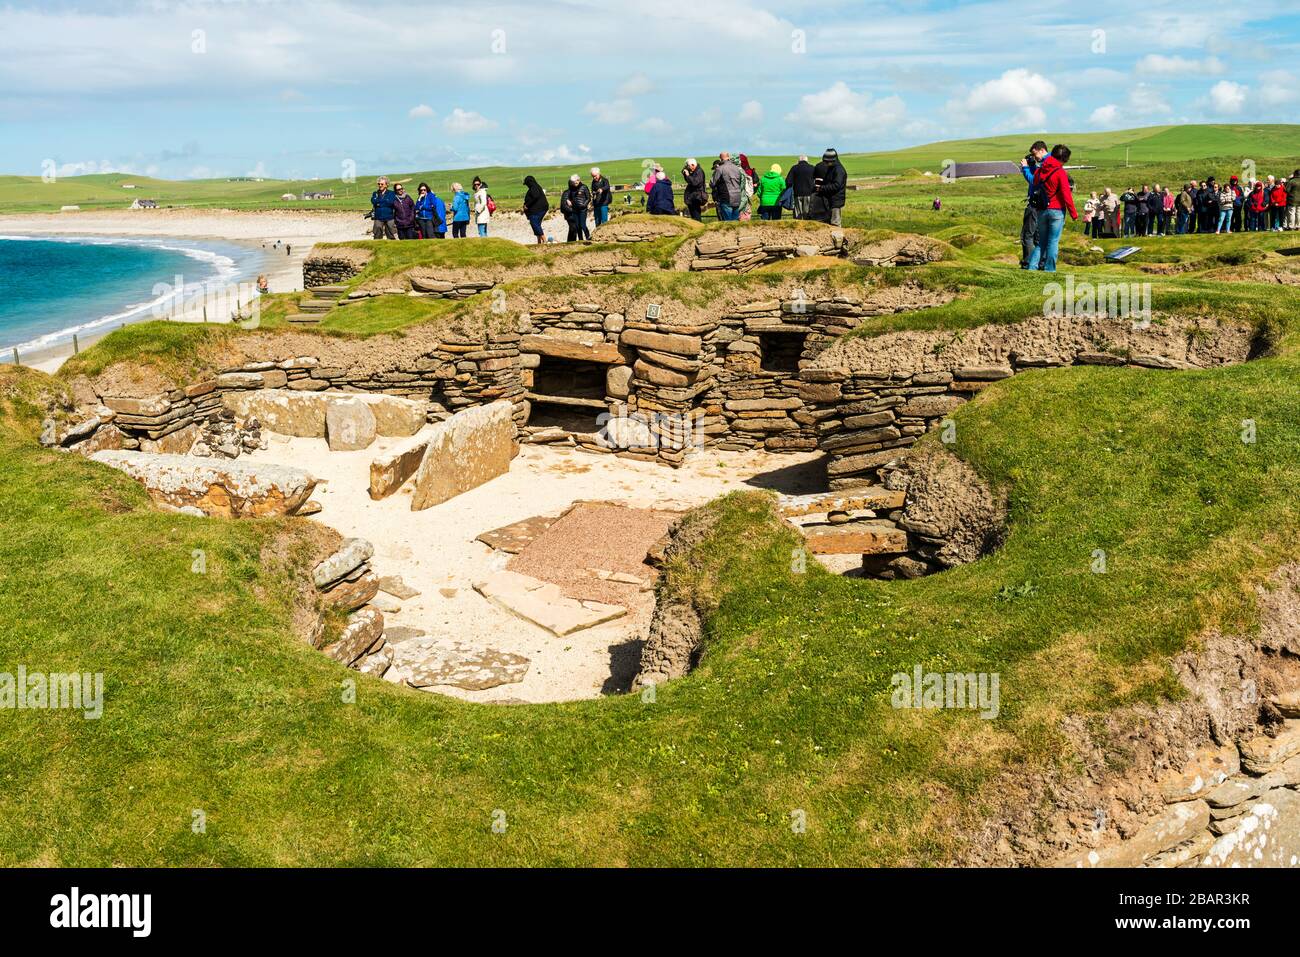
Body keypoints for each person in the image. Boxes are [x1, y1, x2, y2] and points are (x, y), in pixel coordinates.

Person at [1026, 144, 1077, 273]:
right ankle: (1050, 269)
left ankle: (1032, 267)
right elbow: (1066, 194)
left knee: (1041, 242)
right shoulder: (1060, 172)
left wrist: (1027, 168)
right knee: (1053, 241)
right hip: (1057, 210)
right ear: (1063, 159)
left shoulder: (1041, 169)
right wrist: (1073, 213)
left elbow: (1034, 181)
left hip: (1042, 210)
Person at [1017, 141, 1049, 267]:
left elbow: (1034, 181)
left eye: (1035, 154)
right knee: (1038, 236)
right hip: (1042, 205)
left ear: (1041, 150)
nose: (1035, 158)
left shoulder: (1045, 163)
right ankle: (1040, 263)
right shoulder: (1046, 163)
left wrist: (1025, 168)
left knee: (1027, 235)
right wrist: (1031, 167)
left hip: (1035, 204)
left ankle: (1028, 262)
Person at [812, 147, 847, 226]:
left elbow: (836, 185)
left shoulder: (838, 170)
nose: (826, 163)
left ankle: (838, 237)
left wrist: (821, 188)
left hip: (836, 200)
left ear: (833, 160)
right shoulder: (832, 168)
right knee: (830, 222)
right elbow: (828, 182)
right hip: (831, 200)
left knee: (835, 223)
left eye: (827, 161)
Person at [710, 152, 743, 221]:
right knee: (735, 222)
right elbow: (741, 181)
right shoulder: (736, 168)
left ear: (720, 158)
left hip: (726, 197)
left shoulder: (720, 169)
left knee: (727, 222)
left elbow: (712, 183)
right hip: (737, 196)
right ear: (729, 157)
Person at [560, 174, 591, 241]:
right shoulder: (572, 189)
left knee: (582, 225)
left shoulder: (584, 187)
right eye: (573, 182)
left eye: (576, 182)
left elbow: (588, 198)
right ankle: (580, 239)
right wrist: (568, 200)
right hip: (575, 210)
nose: (575, 183)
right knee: (577, 226)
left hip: (582, 210)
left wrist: (584, 205)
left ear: (579, 180)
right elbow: (569, 197)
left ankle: (588, 237)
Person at [785, 155, 816, 219]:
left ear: (798, 161)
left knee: (797, 214)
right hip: (809, 194)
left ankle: (797, 227)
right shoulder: (812, 168)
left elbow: (788, 182)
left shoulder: (794, 168)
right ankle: (807, 227)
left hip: (797, 194)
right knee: (807, 213)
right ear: (807, 160)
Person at [522, 175, 548, 244]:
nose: (527, 185)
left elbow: (535, 197)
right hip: (539, 209)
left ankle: (544, 240)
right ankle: (539, 241)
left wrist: (527, 205)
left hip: (538, 209)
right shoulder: (535, 187)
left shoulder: (534, 187)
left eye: (527, 183)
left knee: (534, 223)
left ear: (529, 182)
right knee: (537, 224)